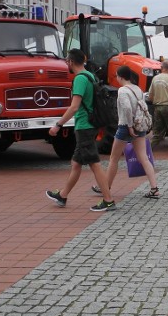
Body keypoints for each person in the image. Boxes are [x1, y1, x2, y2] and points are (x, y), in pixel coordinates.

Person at [46, 49, 116, 212]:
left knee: (94, 164)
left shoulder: (79, 79)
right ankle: (62, 195)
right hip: (91, 124)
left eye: (66, 61)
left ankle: (108, 200)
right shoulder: (90, 75)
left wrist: (58, 125)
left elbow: (74, 107)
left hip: (84, 125)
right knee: (76, 163)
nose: (66, 63)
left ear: (70, 62)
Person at [93, 66, 159, 199]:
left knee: (114, 159)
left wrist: (129, 126)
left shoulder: (122, 91)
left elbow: (127, 108)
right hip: (139, 126)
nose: (116, 78)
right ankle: (154, 188)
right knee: (144, 158)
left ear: (121, 77)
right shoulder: (138, 89)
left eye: (117, 76)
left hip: (125, 126)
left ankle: (105, 187)